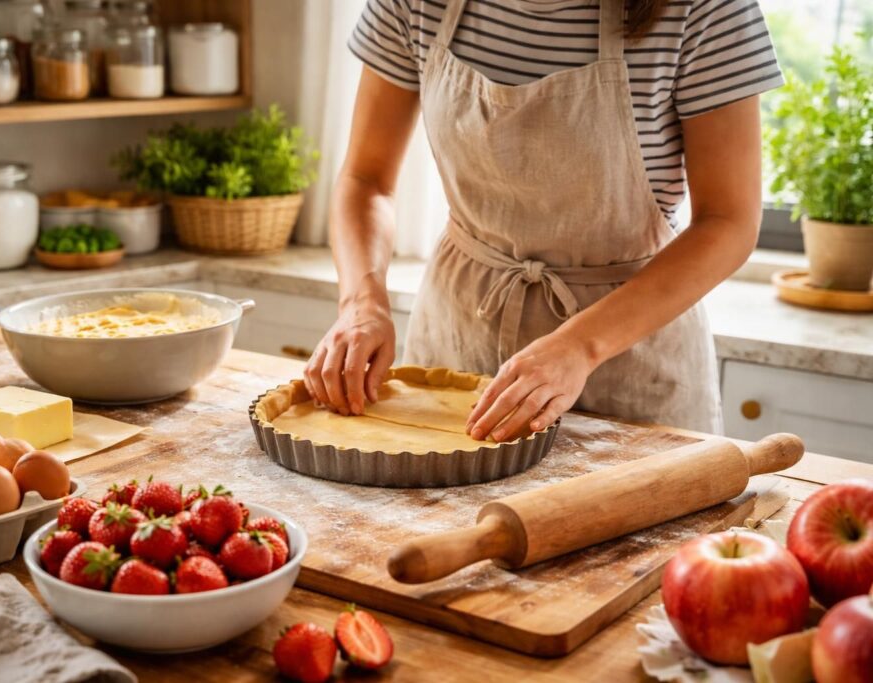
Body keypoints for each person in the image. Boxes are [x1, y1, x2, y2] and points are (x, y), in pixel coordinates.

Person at [304, 0, 783, 440]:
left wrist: (579, 346)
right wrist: (362, 302)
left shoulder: (704, 10)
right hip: (459, 336)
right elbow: (367, 179)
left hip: (631, 364)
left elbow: (728, 222)